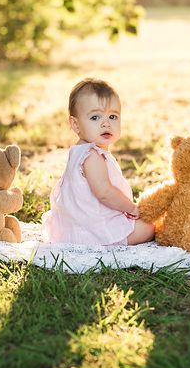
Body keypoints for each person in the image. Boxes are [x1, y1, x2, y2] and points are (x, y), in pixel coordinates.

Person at [42, 78, 155, 246]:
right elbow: (104, 193)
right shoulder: (92, 156)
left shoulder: (80, 151)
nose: (106, 123)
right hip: (92, 230)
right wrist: (131, 208)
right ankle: (110, 241)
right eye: (95, 117)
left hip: (79, 223)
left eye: (113, 116)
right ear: (75, 124)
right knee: (148, 227)